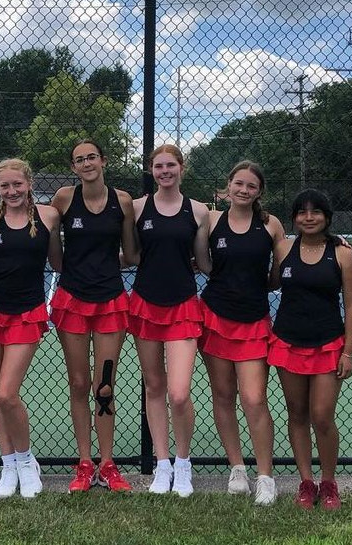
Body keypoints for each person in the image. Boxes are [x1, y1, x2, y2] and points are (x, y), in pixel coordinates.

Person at [0, 158, 62, 498]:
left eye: (17, 184)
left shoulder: (48, 216)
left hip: (27, 311)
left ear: (29, 183)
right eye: (4, 186)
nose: (11, 191)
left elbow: (58, 262)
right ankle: (8, 464)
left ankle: (26, 461)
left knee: (8, 392)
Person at [49, 139, 138, 492]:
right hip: (72, 300)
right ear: (74, 167)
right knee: (79, 383)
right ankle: (84, 464)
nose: (86, 163)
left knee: (104, 386)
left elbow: (130, 254)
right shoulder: (64, 199)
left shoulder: (124, 201)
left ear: (103, 160)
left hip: (110, 302)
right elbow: (56, 257)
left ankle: (108, 464)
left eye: (91, 157)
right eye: (79, 159)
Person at [198, 161, 284, 505]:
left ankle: (266, 476)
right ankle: (237, 468)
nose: (244, 190)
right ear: (228, 185)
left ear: (259, 191)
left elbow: (281, 271)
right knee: (223, 396)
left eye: (251, 186)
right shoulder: (212, 220)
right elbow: (202, 262)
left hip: (254, 322)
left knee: (254, 399)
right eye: (239, 184)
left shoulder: (271, 225)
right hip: (215, 318)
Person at [269, 188, 352, 511]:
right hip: (287, 342)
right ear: (294, 217)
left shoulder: (343, 254)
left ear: (327, 217)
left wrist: (347, 351)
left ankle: (329, 483)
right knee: (297, 414)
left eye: (316, 211)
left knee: (321, 416)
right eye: (302, 212)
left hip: (328, 344)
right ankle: (306, 483)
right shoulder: (283, 249)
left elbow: (351, 305)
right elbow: (269, 280)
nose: (309, 217)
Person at [129, 144, 210, 497]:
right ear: (151, 170)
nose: (165, 171)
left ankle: (182, 463)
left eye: (171, 165)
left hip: (183, 306)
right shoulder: (135, 208)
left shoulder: (200, 211)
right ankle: (162, 465)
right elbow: (128, 254)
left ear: (182, 167)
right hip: (145, 304)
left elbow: (206, 261)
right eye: (158, 166)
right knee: (154, 387)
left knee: (178, 393)